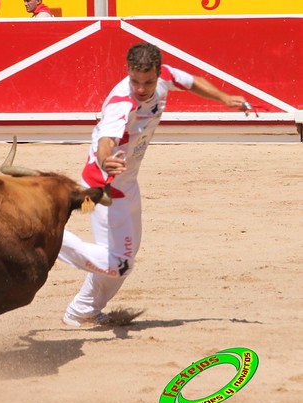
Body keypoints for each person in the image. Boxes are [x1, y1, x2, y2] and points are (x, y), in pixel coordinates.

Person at [59, 42, 252, 327]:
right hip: (103, 189)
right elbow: (105, 141)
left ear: (158, 73)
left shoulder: (165, 78)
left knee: (125, 259)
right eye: (135, 81)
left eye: (148, 81)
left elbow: (190, 81)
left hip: (128, 184)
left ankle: (82, 310)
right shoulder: (121, 103)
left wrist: (224, 98)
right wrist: (105, 160)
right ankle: (53, 239)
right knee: (120, 263)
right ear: (128, 73)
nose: (141, 87)